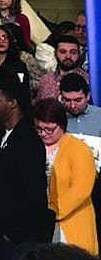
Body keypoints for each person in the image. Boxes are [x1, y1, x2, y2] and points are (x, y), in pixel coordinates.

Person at [0, 67, 55, 259]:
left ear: (12, 103)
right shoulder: (0, 133)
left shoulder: (28, 141)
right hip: (0, 235)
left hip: (19, 241)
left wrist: (12, 234)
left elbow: (35, 197)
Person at [32, 97, 98, 252]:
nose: (43, 133)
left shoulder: (78, 148)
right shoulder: (32, 145)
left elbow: (81, 190)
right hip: (40, 225)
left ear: (62, 125)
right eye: (39, 128)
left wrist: (51, 211)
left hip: (70, 224)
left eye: (49, 129)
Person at [36, 35, 89, 101]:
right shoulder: (46, 79)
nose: (68, 56)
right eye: (63, 52)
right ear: (55, 54)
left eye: (73, 52)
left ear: (79, 54)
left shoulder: (87, 80)